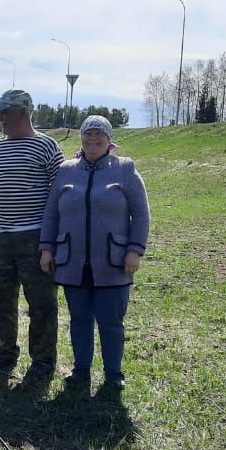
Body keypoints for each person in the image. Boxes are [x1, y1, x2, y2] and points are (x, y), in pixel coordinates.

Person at [39, 115, 148, 393]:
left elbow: (142, 215)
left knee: (111, 322)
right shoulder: (66, 170)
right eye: (88, 135)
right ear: (81, 139)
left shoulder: (125, 169)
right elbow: (51, 213)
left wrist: (135, 250)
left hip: (113, 262)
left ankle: (113, 373)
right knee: (79, 320)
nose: (93, 139)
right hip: (73, 261)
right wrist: (47, 248)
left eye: (99, 135)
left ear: (109, 139)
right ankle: (81, 370)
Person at [0, 89, 63, 382]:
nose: (0, 118)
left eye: (4, 112)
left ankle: (43, 362)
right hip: (2, 239)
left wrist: (51, 243)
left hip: (36, 239)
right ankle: (3, 353)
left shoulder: (47, 146)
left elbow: (59, 197)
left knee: (42, 303)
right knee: (0, 298)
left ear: (22, 113)